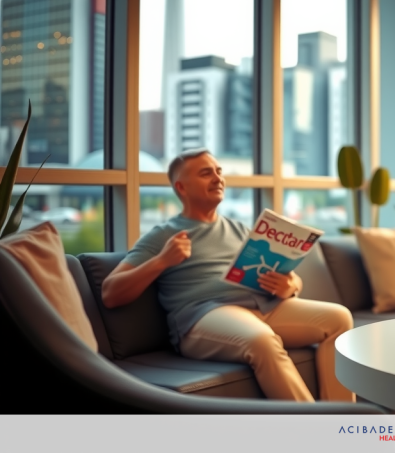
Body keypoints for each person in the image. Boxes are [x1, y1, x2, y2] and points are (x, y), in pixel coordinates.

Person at [101, 148, 354, 402]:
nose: (218, 178)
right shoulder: (163, 235)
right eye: (205, 173)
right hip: (205, 315)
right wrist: (161, 261)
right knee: (262, 340)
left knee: (339, 319)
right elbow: (111, 293)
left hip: (263, 307)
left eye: (219, 172)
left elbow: (290, 279)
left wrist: (290, 286)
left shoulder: (240, 229)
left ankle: (343, 418)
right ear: (181, 187)